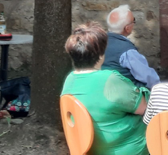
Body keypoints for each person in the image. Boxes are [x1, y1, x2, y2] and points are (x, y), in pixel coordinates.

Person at [61, 22, 149, 155]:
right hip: (127, 149)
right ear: (101, 55)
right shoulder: (110, 80)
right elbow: (144, 107)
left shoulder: (69, 80)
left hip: (89, 150)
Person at [102, 4, 160, 88]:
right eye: (133, 21)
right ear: (127, 28)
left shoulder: (98, 43)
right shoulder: (127, 51)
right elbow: (150, 78)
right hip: (124, 91)